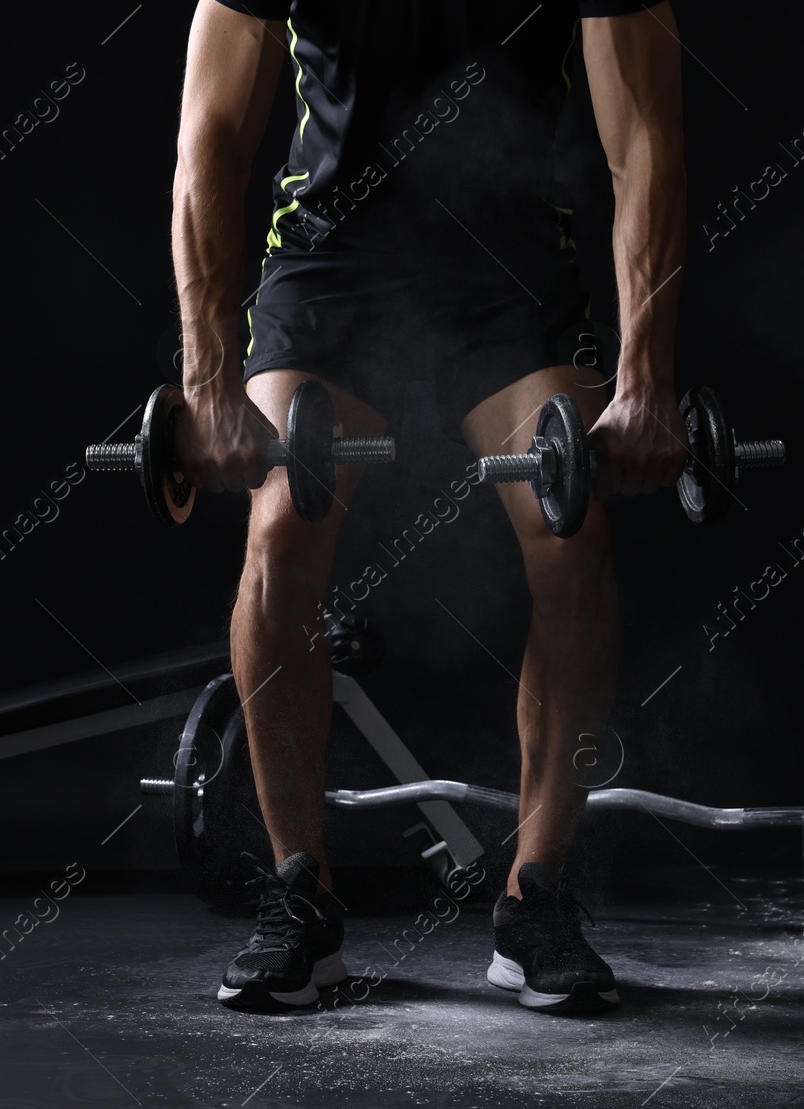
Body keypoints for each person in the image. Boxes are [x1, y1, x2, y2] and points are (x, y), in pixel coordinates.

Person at [171, 0, 687, 1013]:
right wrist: (205, 385)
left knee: (569, 525)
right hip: (328, 262)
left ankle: (535, 893)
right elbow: (210, 138)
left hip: (510, 275)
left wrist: (645, 379)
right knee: (279, 525)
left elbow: (645, 142)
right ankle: (297, 896)